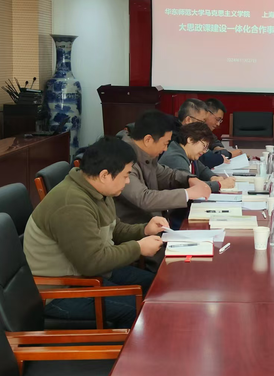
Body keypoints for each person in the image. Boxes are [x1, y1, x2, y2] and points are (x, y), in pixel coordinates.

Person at [23, 137, 167, 328]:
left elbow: (114, 229)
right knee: (139, 309)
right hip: (59, 291)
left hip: (89, 275)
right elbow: (91, 262)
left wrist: (145, 229)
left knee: (156, 285)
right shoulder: (71, 204)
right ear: (105, 175)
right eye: (125, 175)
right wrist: (138, 248)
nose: (127, 182)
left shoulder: (97, 190)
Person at [116, 110, 211, 225]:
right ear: (148, 140)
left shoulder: (147, 156)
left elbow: (167, 174)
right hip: (135, 229)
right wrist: (187, 194)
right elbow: (144, 198)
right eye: (165, 143)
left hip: (153, 225)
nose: (166, 149)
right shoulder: (123, 159)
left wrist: (190, 179)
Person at [160, 121, 236, 193]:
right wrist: (219, 185)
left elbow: (203, 170)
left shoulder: (189, 154)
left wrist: (213, 177)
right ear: (190, 140)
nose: (205, 151)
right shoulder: (175, 158)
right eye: (204, 146)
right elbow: (189, 185)